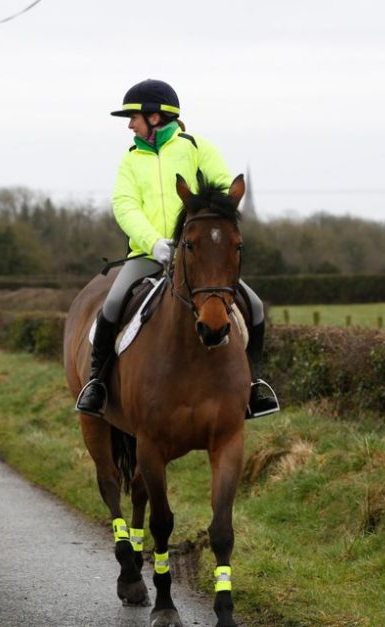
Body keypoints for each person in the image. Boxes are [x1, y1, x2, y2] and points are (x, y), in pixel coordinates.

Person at [75, 79, 280, 419]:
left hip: (198, 255)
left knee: (255, 308)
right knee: (110, 307)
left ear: (156, 117)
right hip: (147, 255)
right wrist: (154, 242)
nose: (129, 124)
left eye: (134, 116)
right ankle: (97, 384)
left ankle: (255, 386)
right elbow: (124, 206)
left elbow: (223, 187)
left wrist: (208, 226)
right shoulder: (131, 160)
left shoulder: (196, 147)